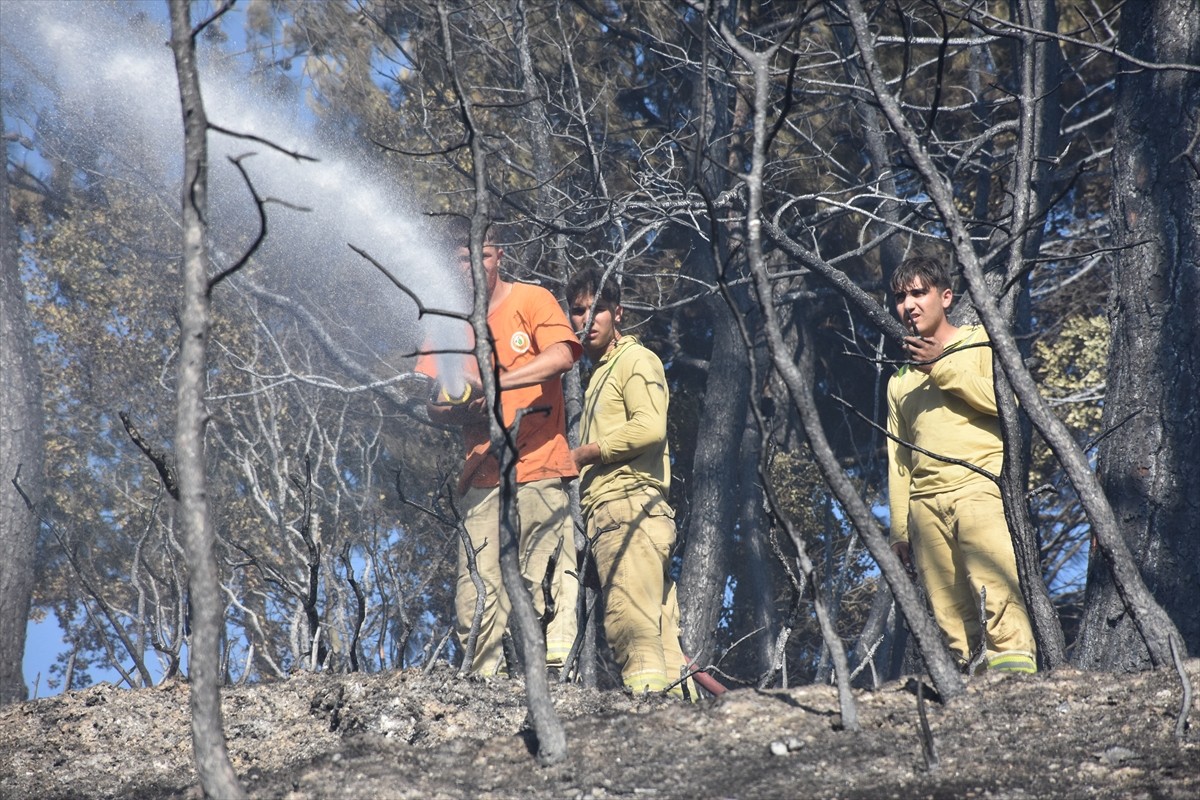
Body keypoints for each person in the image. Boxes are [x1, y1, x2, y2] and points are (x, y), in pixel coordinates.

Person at [417, 219, 580, 676]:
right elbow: (432, 404)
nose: (473, 267)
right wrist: (464, 405)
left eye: (482, 256)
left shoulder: (531, 300)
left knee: (539, 584)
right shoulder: (449, 325)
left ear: (500, 256)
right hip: (482, 476)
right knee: (475, 595)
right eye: (463, 259)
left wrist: (496, 382)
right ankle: (481, 690)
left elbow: (563, 356)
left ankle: (554, 687)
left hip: (538, 464)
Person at [886, 255, 1037, 674]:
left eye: (919, 293)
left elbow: (1007, 403)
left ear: (946, 297)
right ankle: (975, 691)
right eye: (900, 297)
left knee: (998, 592)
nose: (909, 305)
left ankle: (1016, 686)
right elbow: (898, 458)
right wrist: (900, 529)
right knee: (950, 614)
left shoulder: (980, 342)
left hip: (980, 489)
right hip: (925, 507)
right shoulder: (899, 378)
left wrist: (940, 367)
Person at [566, 268, 693, 696]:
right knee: (658, 634)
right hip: (626, 515)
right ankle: (684, 718)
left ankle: (650, 716)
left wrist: (583, 454)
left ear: (618, 313)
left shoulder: (635, 360)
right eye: (578, 311)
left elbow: (649, 428)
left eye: (597, 309)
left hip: (629, 510)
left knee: (630, 624)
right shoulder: (599, 373)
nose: (587, 319)